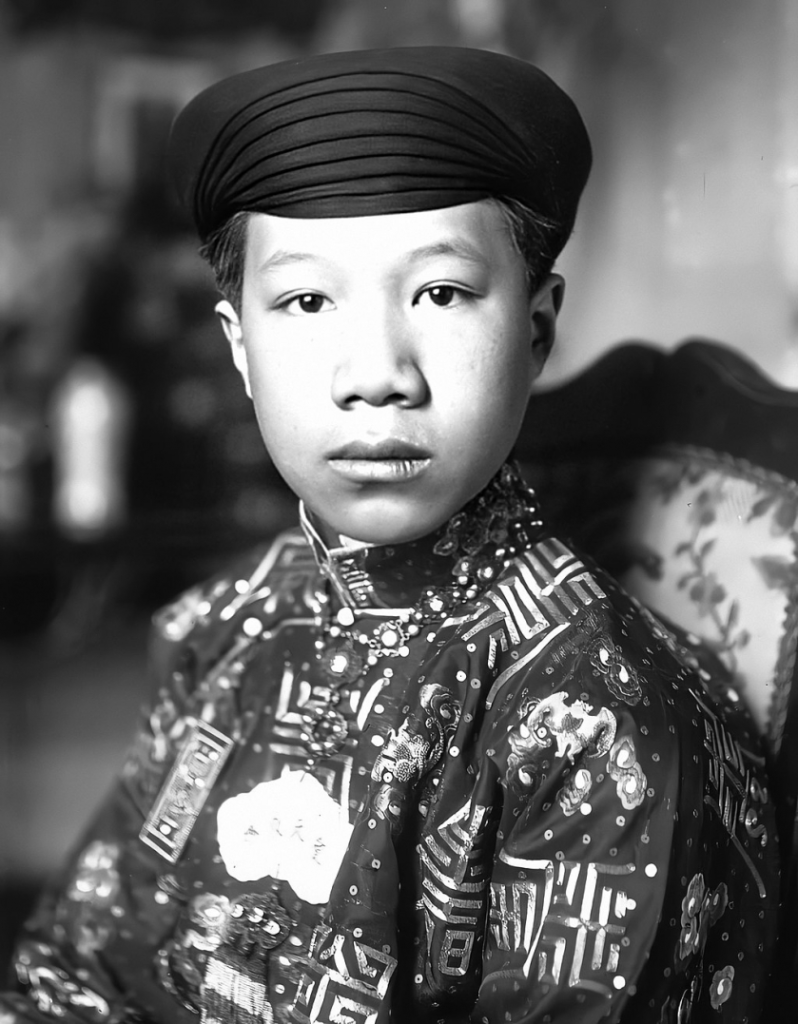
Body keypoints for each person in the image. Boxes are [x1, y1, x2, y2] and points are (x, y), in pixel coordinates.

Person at [2, 47, 780, 1024]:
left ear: (536, 328)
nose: (376, 373)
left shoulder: (595, 723)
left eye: (441, 293)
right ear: (240, 346)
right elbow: (80, 967)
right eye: (307, 301)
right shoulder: (222, 623)